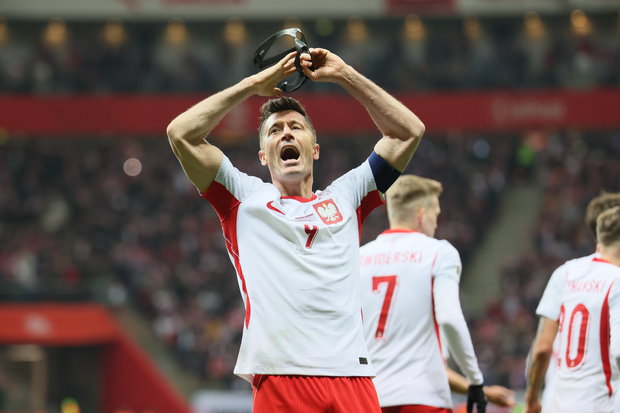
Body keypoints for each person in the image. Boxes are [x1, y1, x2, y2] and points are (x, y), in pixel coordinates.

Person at [166, 46, 425, 413]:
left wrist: (344, 74)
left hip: (351, 375)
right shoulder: (242, 197)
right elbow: (180, 134)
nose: (286, 134)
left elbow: (408, 132)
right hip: (281, 377)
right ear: (263, 156)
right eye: (275, 131)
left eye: (295, 127)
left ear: (314, 150)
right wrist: (254, 84)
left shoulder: (347, 196)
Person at [358, 175, 494, 413]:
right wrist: (475, 380)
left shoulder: (359, 257)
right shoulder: (439, 253)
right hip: (423, 396)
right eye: (436, 214)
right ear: (422, 214)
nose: (436, 223)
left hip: (370, 398)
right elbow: (449, 318)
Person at [524, 205, 620, 413]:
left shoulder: (565, 273)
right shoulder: (617, 280)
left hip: (558, 406)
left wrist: (531, 398)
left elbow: (541, 349)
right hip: (602, 405)